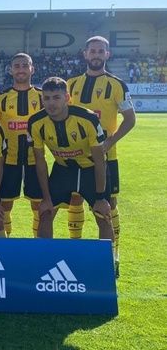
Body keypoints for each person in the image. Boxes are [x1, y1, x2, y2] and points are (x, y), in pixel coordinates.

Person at [67, 36, 135, 277]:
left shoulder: (116, 85)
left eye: (101, 51)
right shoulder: (71, 84)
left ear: (107, 55)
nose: (96, 54)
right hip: (75, 156)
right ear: (85, 54)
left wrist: (108, 142)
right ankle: (75, 250)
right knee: (74, 200)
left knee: (108, 206)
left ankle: (112, 256)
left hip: (105, 158)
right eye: (92, 51)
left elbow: (130, 119)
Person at [28, 77, 114, 245]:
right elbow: (40, 161)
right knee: (45, 213)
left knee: (102, 215)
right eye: (47, 98)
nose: (51, 103)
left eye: (56, 98)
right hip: (63, 170)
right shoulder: (36, 123)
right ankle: (43, 261)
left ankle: (108, 264)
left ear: (67, 98)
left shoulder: (87, 119)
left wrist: (101, 197)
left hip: (91, 170)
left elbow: (99, 160)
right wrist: (46, 198)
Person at [0, 53, 43, 237]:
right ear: (11, 70)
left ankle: (38, 247)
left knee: (38, 204)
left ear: (32, 69)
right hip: (8, 160)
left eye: (24, 65)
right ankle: (6, 246)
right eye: (17, 66)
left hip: (35, 160)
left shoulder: (43, 97)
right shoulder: (0, 99)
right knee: (5, 205)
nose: (21, 69)